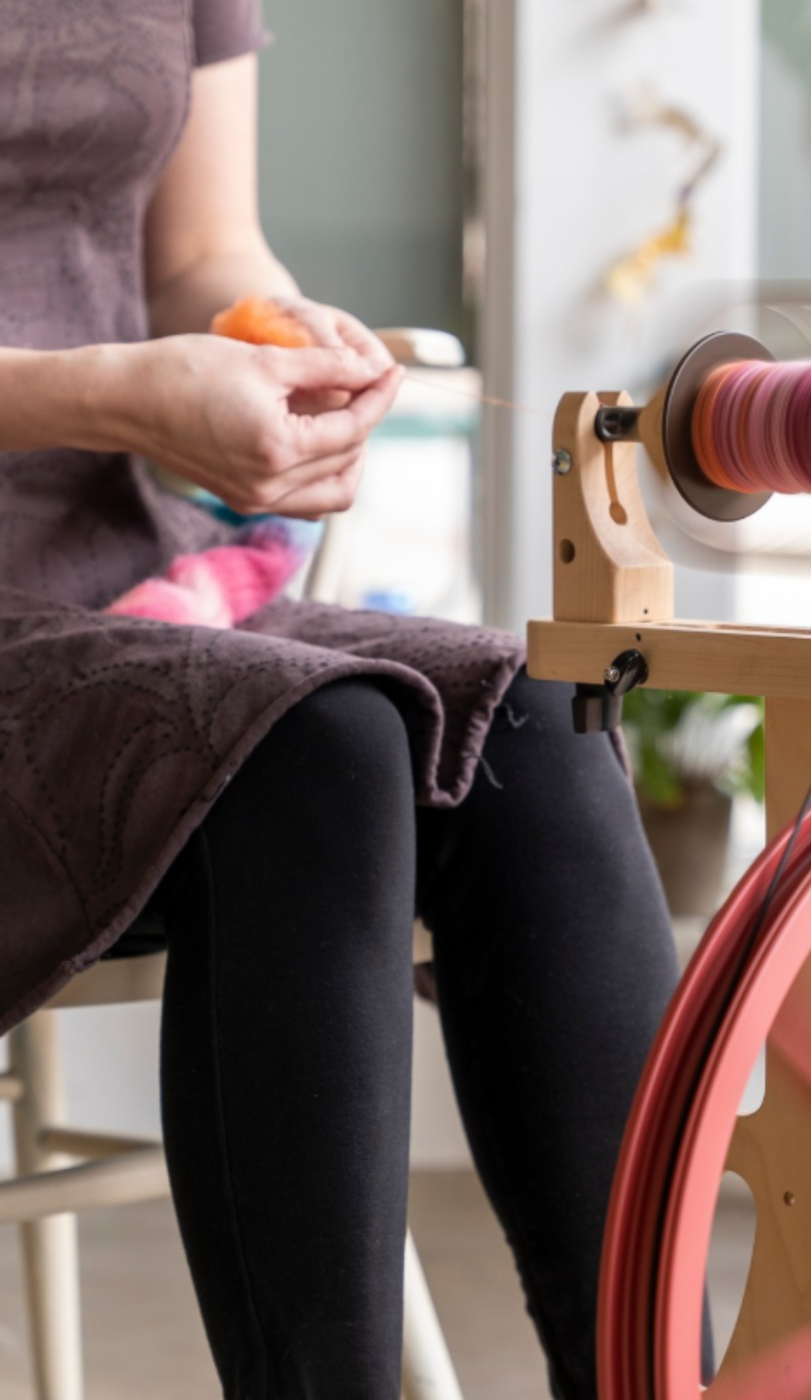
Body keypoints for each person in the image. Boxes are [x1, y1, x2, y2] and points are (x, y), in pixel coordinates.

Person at [0, 4, 678, 1397]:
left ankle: (659, 1379)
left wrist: (272, 333)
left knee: (532, 721)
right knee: (311, 745)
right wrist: (119, 394)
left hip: (133, 593)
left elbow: (199, 252)